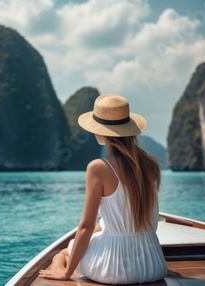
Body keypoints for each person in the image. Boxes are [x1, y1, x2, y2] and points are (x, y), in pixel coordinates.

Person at [38, 94, 168, 284]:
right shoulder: (151, 166)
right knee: (100, 227)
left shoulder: (98, 168)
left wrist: (67, 273)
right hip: (152, 264)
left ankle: (60, 269)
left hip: (113, 268)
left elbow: (86, 226)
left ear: (102, 131)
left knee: (63, 253)